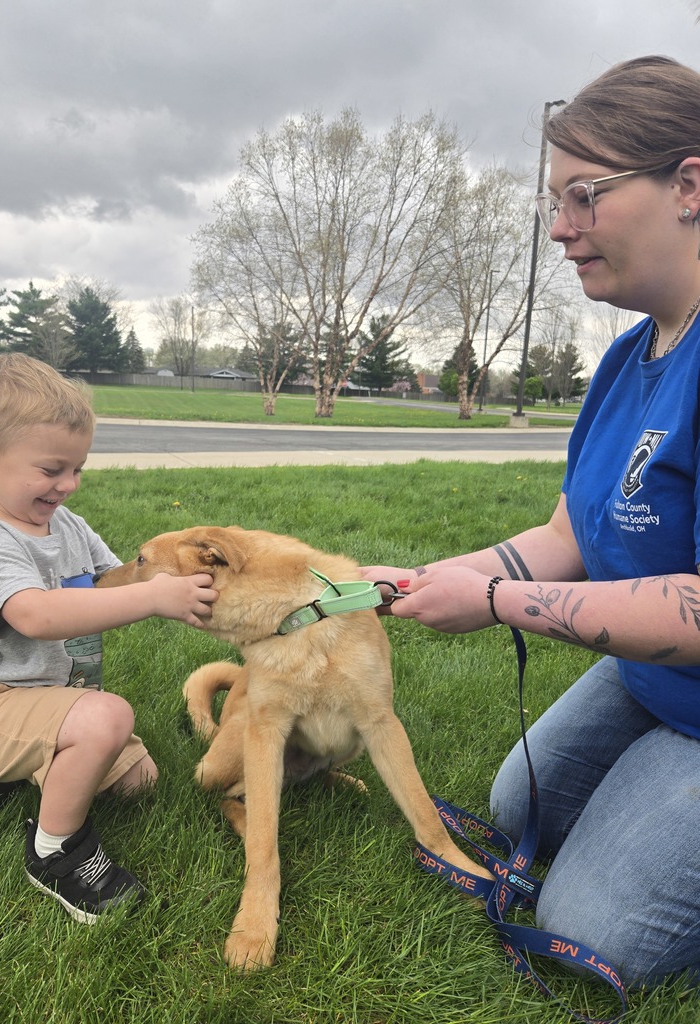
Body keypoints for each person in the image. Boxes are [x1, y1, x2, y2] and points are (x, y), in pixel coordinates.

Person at [363, 55, 700, 990]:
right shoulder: (627, 359)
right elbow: (569, 538)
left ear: (689, 185)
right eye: (555, 202)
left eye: (584, 195)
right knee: (520, 811)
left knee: (595, 932)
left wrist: (498, 603)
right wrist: (421, 578)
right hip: (655, 675)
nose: (559, 228)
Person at [0, 353, 218, 924]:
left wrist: (178, 582)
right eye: (51, 469)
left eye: (77, 468)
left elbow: (113, 580)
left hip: (54, 701)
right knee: (106, 717)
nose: (67, 485)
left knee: (140, 782)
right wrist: (151, 599)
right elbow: (36, 616)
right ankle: (54, 852)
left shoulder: (66, 524)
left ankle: (12, 776)